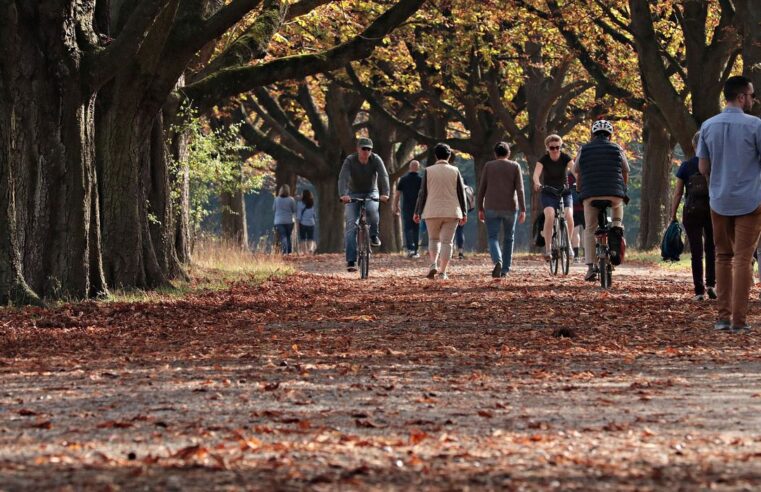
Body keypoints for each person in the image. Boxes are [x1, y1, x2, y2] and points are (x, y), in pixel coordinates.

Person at [697, 75, 761, 332]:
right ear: (742, 96)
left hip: (719, 200)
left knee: (722, 256)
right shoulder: (755, 125)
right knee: (743, 259)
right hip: (750, 199)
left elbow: (703, 166)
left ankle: (722, 318)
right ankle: (739, 320)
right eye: (752, 95)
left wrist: (718, 180)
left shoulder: (708, 126)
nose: (753, 100)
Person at [573, 119, 629, 282]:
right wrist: (623, 188)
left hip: (591, 194)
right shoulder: (617, 148)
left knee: (590, 229)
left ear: (593, 134)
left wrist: (579, 189)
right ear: (610, 135)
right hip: (614, 194)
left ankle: (591, 268)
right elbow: (625, 170)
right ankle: (616, 230)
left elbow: (577, 171)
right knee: (617, 214)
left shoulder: (584, 149)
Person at [670, 131, 715, 301]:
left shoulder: (686, 166)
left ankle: (699, 291)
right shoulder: (714, 164)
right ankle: (711, 283)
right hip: (712, 209)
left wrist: (673, 215)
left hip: (692, 210)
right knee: (712, 247)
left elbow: (678, 193)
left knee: (697, 251)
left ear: (694, 146)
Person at [413, 143, 468, 280]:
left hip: (431, 211)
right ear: (449, 156)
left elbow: (422, 193)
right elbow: (461, 193)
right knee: (447, 242)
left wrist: (417, 211)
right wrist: (464, 212)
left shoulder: (428, 170)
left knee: (433, 239)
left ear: (436, 155)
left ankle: (433, 264)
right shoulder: (455, 171)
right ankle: (443, 272)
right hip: (452, 211)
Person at [338, 137, 390, 272]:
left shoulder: (376, 159)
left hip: (371, 191)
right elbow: (343, 177)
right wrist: (343, 194)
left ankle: (373, 234)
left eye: (369, 149)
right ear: (358, 149)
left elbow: (384, 176)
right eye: (364, 149)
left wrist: (385, 193)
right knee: (351, 226)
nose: (366, 151)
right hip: (353, 193)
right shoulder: (350, 160)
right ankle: (351, 261)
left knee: (373, 211)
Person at [477, 142, 527, 278]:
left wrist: (480, 208)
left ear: (495, 153)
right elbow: (520, 189)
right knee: (509, 238)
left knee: (492, 237)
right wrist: (523, 209)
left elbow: (481, 189)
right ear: (508, 153)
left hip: (491, 206)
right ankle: (505, 269)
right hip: (510, 207)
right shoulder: (515, 166)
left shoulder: (488, 166)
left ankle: (497, 260)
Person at [533, 134, 575, 261]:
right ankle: (548, 249)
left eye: (558, 147)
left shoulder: (565, 158)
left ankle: (569, 246)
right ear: (547, 148)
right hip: (548, 192)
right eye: (552, 148)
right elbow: (536, 174)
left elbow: (575, 170)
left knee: (569, 215)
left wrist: (579, 181)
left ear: (560, 146)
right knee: (550, 215)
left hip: (564, 191)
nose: (555, 150)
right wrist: (537, 183)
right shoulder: (543, 160)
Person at [393, 160, 423, 258]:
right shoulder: (421, 180)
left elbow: (397, 194)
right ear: (418, 168)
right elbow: (424, 195)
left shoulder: (403, 179)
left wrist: (395, 205)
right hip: (418, 208)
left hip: (406, 207)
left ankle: (410, 248)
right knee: (416, 228)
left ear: (409, 168)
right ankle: (415, 250)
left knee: (407, 228)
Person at [273, 184, 297, 255]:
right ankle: (289, 252)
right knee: (288, 236)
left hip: (279, 221)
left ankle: (284, 251)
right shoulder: (291, 200)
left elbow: (273, 209)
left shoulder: (277, 199)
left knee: (283, 236)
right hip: (289, 221)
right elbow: (294, 210)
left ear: (280, 191)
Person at [568, 172, 584, 262]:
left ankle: (576, 256)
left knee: (575, 232)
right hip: (585, 206)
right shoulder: (585, 171)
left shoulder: (570, 175)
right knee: (587, 232)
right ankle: (588, 255)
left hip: (573, 208)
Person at [297, 189, 317, 255]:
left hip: (303, 223)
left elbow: (299, 215)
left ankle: (304, 252)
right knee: (310, 238)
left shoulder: (300, 204)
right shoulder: (312, 203)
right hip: (311, 223)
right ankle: (310, 249)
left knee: (303, 238)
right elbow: (314, 214)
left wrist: (297, 224)